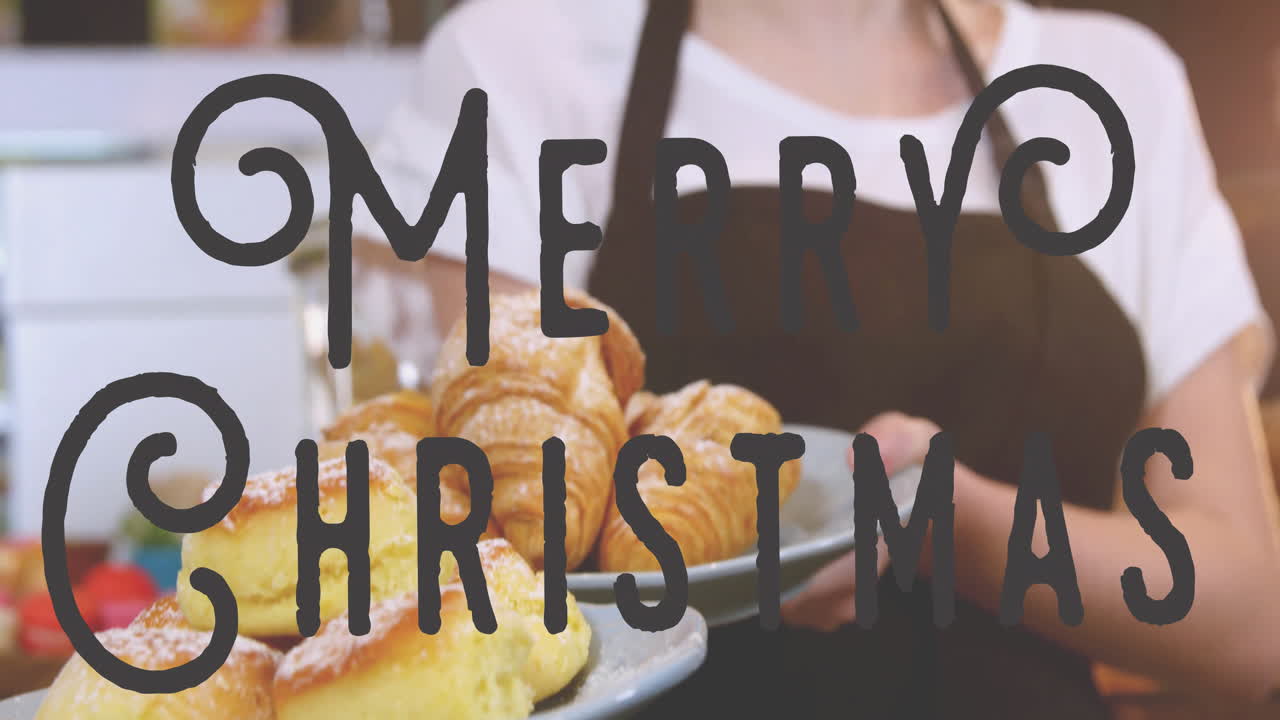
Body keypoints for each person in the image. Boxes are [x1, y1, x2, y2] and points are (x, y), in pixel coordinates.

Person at [350, 0, 1280, 716]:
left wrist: (959, 529)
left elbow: (1250, 623)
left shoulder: (1115, 87)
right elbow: (516, 563)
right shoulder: (526, 56)